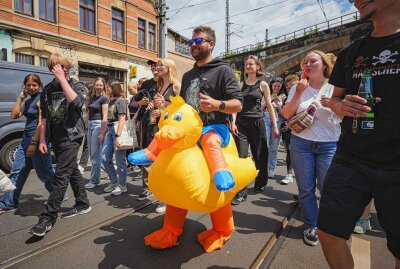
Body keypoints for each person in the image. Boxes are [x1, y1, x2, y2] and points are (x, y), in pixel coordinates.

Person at [317, 0, 400, 268]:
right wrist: (340, 106)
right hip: (352, 158)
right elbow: (332, 99)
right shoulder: (352, 51)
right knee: (328, 233)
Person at [29, 53, 91, 237]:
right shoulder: (47, 89)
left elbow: (78, 103)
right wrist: (41, 140)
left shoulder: (76, 85)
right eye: (56, 67)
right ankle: (83, 203)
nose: (60, 69)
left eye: (63, 66)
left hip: (72, 136)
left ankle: (47, 218)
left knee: (61, 175)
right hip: (55, 137)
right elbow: (45, 116)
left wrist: (63, 80)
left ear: (68, 68)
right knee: (71, 171)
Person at [282, 50, 340, 246]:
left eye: (312, 61)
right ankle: (312, 225)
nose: (307, 64)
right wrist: (298, 92)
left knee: (327, 187)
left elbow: (345, 116)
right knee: (306, 188)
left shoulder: (335, 87)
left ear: (324, 64)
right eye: (304, 62)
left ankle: (328, 224)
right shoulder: (298, 87)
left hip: (329, 145)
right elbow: (287, 114)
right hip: (300, 143)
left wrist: (333, 105)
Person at [180, 25, 243, 191]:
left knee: (215, 191)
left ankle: (223, 178)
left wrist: (218, 105)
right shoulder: (187, 76)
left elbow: (238, 103)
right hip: (190, 134)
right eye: (191, 41)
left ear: (211, 44)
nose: (193, 44)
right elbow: (182, 106)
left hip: (214, 130)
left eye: (199, 40)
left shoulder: (223, 70)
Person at [0, 74, 63, 215]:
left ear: (39, 85)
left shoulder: (42, 99)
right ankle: (8, 203)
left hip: (38, 140)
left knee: (45, 174)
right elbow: (14, 115)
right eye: (28, 85)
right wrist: (21, 97)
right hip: (25, 140)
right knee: (17, 171)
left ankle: (59, 195)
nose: (31, 87)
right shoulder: (28, 101)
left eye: (34, 85)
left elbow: (42, 123)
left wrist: (34, 143)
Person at [230, 55, 278, 205]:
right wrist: (233, 121)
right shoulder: (239, 84)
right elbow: (236, 104)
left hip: (257, 122)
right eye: (246, 64)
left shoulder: (263, 84)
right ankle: (241, 192)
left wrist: (275, 126)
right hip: (241, 124)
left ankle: (261, 181)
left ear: (258, 67)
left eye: (251, 64)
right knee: (242, 157)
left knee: (260, 154)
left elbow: (269, 106)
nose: (248, 66)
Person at [147, 58, 181, 213]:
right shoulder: (160, 86)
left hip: (171, 131)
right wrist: (156, 109)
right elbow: (162, 107)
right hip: (160, 128)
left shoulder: (176, 86)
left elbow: (182, 108)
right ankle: (164, 197)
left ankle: (169, 200)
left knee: (168, 165)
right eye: (158, 65)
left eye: (162, 65)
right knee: (159, 163)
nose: (158, 67)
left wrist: (164, 106)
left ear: (170, 67)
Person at [135, 60, 159, 201]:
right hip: (146, 123)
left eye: (156, 65)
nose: (154, 68)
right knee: (146, 153)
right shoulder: (146, 84)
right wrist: (141, 102)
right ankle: (147, 187)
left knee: (158, 156)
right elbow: (136, 99)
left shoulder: (165, 84)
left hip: (160, 124)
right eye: (152, 66)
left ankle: (160, 188)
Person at [101, 81, 128, 195]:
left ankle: (122, 186)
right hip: (110, 130)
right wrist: (104, 133)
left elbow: (122, 118)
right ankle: (114, 181)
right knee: (104, 157)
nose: (106, 89)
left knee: (120, 160)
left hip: (118, 131)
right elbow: (108, 119)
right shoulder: (111, 100)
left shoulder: (121, 101)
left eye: (108, 87)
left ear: (114, 88)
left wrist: (118, 135)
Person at [84, 77, 109, 189]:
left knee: (95, 154)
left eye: (100, 85)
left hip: (98, 125)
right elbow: (88, 113)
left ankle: (95, 180)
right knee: (91, 153)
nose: (98, 87)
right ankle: (105, 173)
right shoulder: (92, 97)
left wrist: (102, 133)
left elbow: (105, 116)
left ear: (104, 86)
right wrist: (85, 125)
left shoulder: (104, 99)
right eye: (97, 85)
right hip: (90, 125)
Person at [263, 77, 286, 179]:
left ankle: (271, 169)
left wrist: (279, 104)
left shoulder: (283, 96)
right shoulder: (265, 93)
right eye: (275, 85)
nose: (276, 87)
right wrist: (270, 99)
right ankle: (263, 168)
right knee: (265, 143)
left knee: (274, 147)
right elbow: (260, 108)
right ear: (271, 85)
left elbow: (284, 114)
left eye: (279, 86)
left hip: (278, 120)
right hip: (266, 118)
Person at [279, 74, 300, 185]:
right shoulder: (285, 98)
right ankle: (289, 174)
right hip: (288, 128)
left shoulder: (304, 95)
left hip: (302, 129)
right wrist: (279, 106)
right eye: (288, 86)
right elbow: (285, 114)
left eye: (291, 85)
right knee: (289, 152)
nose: (289, 88)